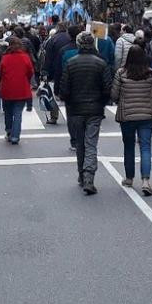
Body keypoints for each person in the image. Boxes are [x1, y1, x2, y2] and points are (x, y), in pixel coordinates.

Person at [57, 31, 113, 193]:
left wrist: (68, 100)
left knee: (80, 144)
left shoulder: (71, 63)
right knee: (91, 144)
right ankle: (88, 176)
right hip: (95, 109)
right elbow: (107, 89)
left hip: (75, 110)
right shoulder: (101, 63)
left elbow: (64, 90)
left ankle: (82, 175)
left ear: (79, 44)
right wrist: (101, 102)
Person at [112, 44, 152, 196]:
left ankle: (129, 178)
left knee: (129, 146)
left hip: (127, 115)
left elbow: (114, 95)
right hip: (146, 114)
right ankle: (146, 180)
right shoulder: (150, 73)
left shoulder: (121, 73)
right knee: (145, 147)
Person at [0, 36, 35, 144]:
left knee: (8, 111)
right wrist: (26, 79)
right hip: (21, 88)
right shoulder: (25, 57)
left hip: (7, 88)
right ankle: (15, 136)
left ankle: (9, 131)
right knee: (18, 112)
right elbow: (30, 71)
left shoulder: (5, 57)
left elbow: (1, 71)